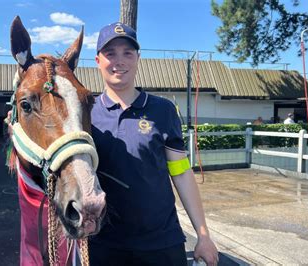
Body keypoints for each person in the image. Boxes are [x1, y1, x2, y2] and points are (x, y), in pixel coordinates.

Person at [88, 22, 219, 266]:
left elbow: (181, 173)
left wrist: (203, 235)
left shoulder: (163, 110)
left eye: (128, 53)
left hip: (161, 244)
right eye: (110, 53)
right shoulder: (87, 112)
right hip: (103, 244)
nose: (120, 60)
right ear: (97, 60)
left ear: (138, 58)